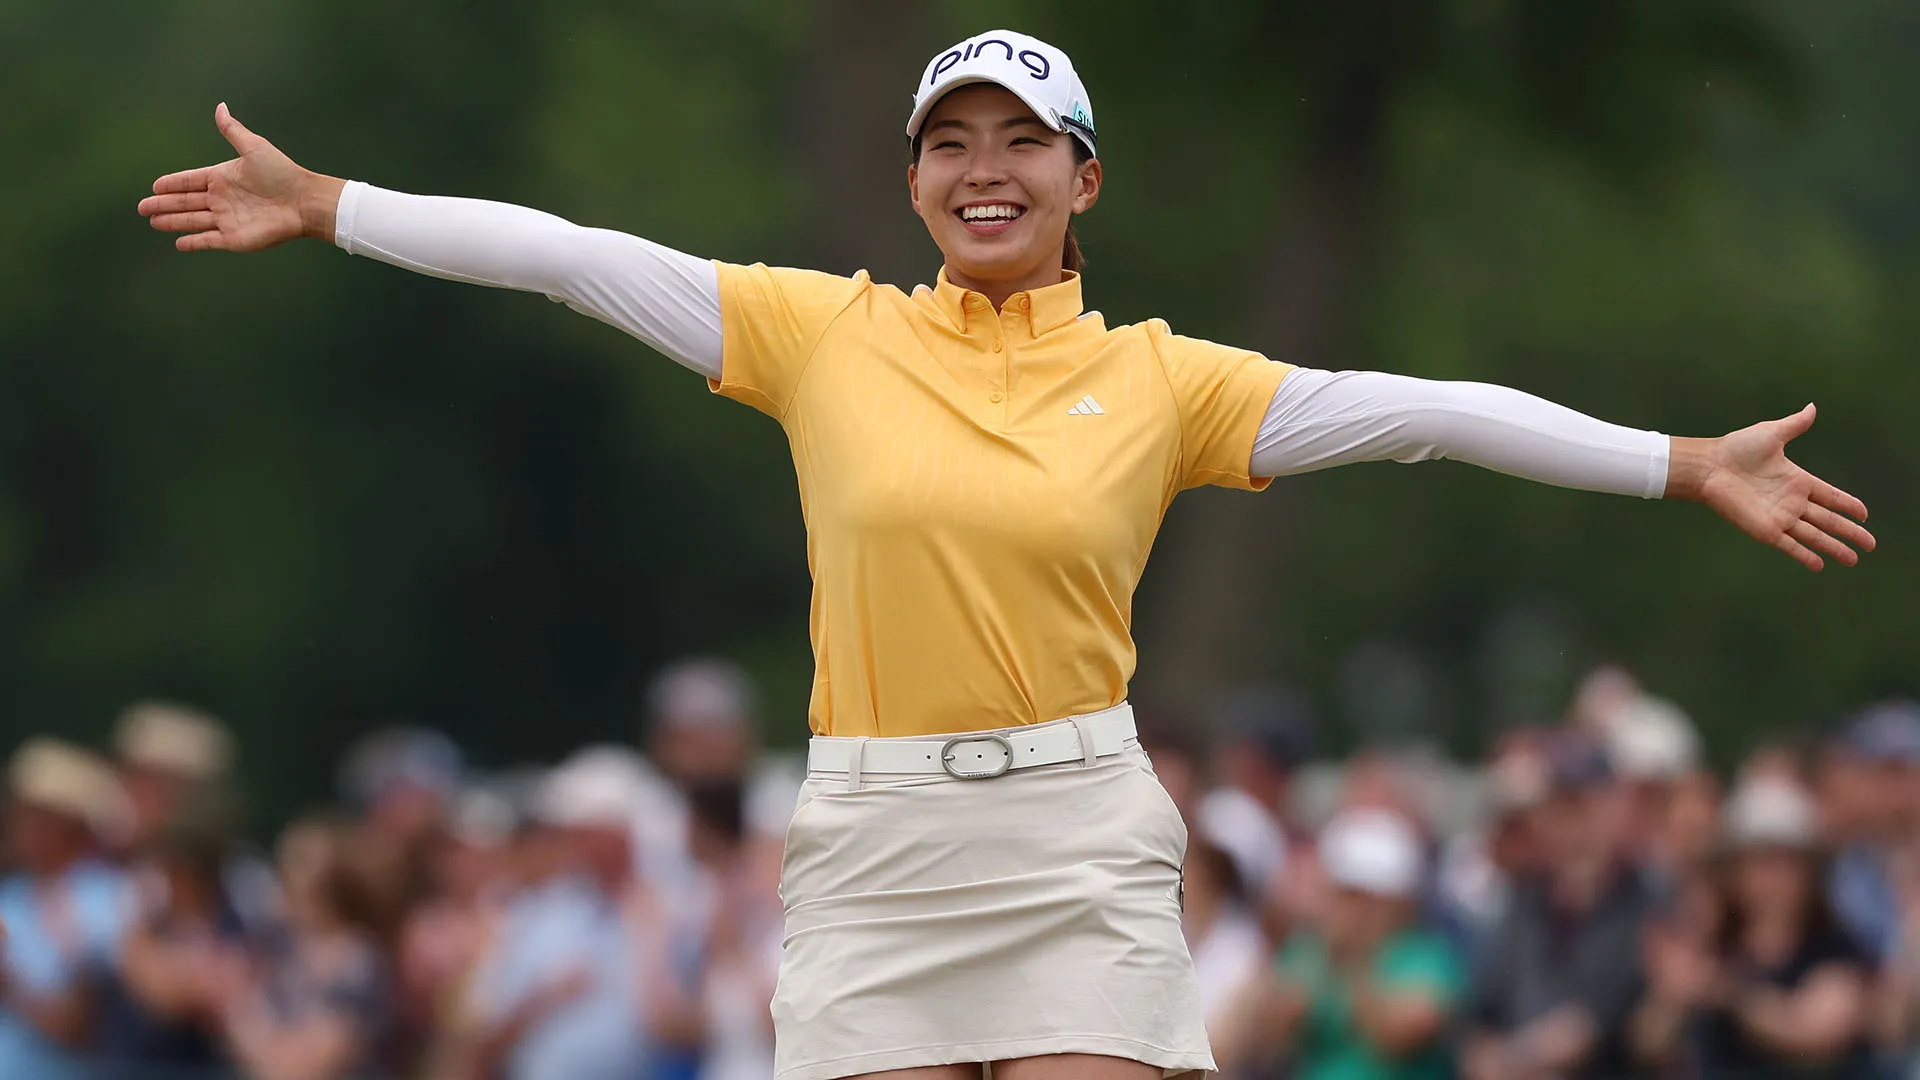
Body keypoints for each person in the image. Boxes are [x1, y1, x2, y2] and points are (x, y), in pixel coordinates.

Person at [139, 25, 1874, 1080]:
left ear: (1083, 178)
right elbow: (573, 255)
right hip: (877, 834)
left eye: (1020, 141)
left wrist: (1679, 464)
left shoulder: (1166, 381)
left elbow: (1418, 407)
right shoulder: (823, 335)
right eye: (950, 144)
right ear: (910, 182)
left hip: (1073, 830)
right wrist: (336, 207)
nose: (986, 170)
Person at [1632, 775, 1872, 1080]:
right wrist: (1673, 997)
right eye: (1756, 863)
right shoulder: (1711, 943)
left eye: (1784, 863)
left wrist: (1733, 995)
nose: (1770, 880)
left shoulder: (1835, 947)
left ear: (1811, 872)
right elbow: (1648, 1045)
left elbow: (1816, 1038)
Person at [1461, 733, 1656, 1080]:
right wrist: (1484, 1055)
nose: (1570, 822)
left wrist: (1512, 1059)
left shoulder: (1648, 899)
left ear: (1613, 807)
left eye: (1581, 805)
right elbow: (1484, 1009)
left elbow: (1595, 1024)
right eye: (1559, 805)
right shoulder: (1523, 899)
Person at [1215, 808, 1463, 1080]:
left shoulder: (1426, 957)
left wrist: (1354, 960)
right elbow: (1270, 1030)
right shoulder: (1310, 950)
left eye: (1354, 896)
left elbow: (1399, 1035)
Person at [0, 739, 135, 1080]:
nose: (15, 822)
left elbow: (81, 1025)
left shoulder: (109, 898)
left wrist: (8, 983)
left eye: (32, 813)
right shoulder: (11, 894)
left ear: (68, 823)